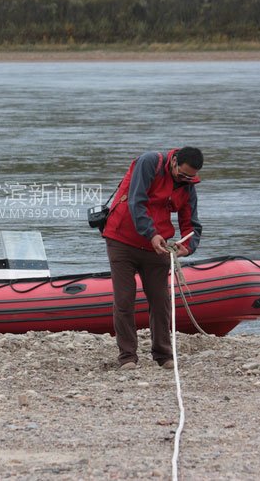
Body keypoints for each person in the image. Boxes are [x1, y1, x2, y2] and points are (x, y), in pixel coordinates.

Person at [103, 147, 203, 370]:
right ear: (174, 161)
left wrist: (188, 246)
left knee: (160, 301)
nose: (185, 179)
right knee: (124, 299)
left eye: (190, 177)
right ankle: (127, 356)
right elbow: (136, 201)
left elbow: (191, 223)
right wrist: (152, 233)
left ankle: (163, 354)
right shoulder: (150, 163)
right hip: (122, 240)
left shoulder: (188, 185)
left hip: (156, 248)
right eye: (182, 174)